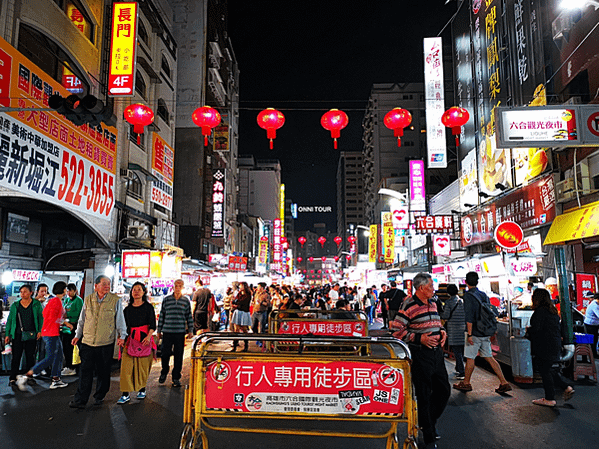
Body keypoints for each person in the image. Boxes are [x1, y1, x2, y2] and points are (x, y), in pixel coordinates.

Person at [390, 272, 450, 449]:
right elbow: (396, 331)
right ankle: (429, 436)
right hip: (420, 355)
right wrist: (419, 339)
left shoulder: (433, 302)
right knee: (423, 395)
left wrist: (442, 331)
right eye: (431, 286)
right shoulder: (408, 304)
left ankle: (427, 423)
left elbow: (436, 323)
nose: (434, 289)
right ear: (422, 288)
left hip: (437, 354)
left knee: (443, 390)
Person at [69, 275, 127, 409]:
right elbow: (82, 320)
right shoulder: (88, 299)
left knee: (103, 371)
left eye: (109, 284)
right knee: (85, 372)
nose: (107, 286)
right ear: (96, 286)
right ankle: (81, 400)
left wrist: (122, 336)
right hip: (87, 342)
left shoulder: (115, 300)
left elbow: (120, 320)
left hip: (105, 343)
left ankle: (99, 396)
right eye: (104, 284)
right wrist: (78, 335)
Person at [453, 271, 512, 394]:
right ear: (477, 281)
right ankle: (503, 382)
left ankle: (466, 383)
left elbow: (469, 317)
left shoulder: (468, 296)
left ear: (466, 282)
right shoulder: (483, 295)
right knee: (489, 358)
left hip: (474, 333)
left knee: (470, 358)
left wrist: (469, 334)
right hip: (485, 331)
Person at [17, 281, 70, 391]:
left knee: (59, 355)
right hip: (51, 333)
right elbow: (52, 317)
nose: (66, 290)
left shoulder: (53, 301)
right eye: (66, 289)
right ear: (63, 289)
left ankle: (56, 379)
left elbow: (45, 314)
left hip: (50, 332)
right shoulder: (56, 301)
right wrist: (65, 323)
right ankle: (27, 375)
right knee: (50, 357)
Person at [526, 288, 575, 407]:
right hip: (555, 344)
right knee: (550, 370)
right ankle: (566, 387)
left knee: (545, 371)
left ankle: (550, 398)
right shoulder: (553, 311)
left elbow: (536, 330)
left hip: (544, 345)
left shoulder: (540, 312)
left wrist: (528, 331)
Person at [117, 282, 157, 404]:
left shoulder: (148, 307)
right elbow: (123, 326)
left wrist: (149, 337)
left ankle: (142, 389)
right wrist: (122, 338)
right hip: (130, 340)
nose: (136, 291)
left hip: (144, 340)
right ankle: (125, 394)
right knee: (126, 368)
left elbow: (153, 324)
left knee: (142, 367)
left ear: (143, 292)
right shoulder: (127, 309)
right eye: (134, 289)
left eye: (139, 289)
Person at [157, 279, 193, 387]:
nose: (178, 288)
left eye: (180, 286)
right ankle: (164, 371)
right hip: (167, 331)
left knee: (178, 355)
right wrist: (159, 331)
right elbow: (162, 315)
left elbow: (189, 316)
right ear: (173, 287)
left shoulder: (185, 301)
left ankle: (176, 377)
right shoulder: (166, 300)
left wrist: (190, 330)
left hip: (180, 332)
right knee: (165, 353)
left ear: (182, 287)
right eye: (176, 285)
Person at [5, 284, 43, 387]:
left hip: (31, 335)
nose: (22, 294)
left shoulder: (36, 304)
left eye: (25, 291)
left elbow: (41, 318)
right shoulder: (15, 305)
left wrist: (39, 331)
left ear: (31, 293)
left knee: (30, 357)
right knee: (16, 357)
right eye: (21, 292)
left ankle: (30, 377)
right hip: (17, 335)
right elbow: (10, 321)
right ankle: (13, 378)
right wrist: (7, 334)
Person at [440, 284, 466, 380]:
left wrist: (441, 313)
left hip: (454, 329)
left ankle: (461, 371)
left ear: (448, 293)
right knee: (461, 351)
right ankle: (459, 368)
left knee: (456, 351)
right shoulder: (462, 301)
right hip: (463, 328)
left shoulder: (449, 302)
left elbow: (446, 315)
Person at [60, 283, 83, 376]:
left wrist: (68, 314)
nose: (69, 293)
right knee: (65, 347)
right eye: (67, 291)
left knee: (73, 347)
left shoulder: (78, 300)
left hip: (74, 326)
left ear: (75, 291)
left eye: (70, 290)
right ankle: (68, 365)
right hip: (65, 326)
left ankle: (73, 367)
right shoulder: (66, 300)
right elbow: (63, 311)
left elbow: (79, 313)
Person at [230, 281, 252, 351]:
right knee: (236, 330)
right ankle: (235, 346)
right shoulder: (239, 293)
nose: (239, 287)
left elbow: (241, 302)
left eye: (241, 286)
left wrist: (236, 303)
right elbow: (235, 301)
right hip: (238, 312)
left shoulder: (248, 294)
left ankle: (246, 346)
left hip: (244, 312)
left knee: (244, 329)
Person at [584, 293, 599, 357]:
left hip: (595, 324)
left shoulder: (596, 304)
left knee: (595, 339)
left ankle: (594, 354)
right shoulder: (594, 305)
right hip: (590, 325)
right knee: (592, 340)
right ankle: (592, 354)